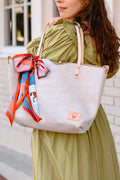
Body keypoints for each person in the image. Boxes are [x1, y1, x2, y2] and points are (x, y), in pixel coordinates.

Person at [27, 0, 120, 179]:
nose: (58, 0)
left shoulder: (63, 32)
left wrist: (52, 29)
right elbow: (111, 70)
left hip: (60, 127)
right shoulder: (102, 35)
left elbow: (32, 59)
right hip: (92, 122)